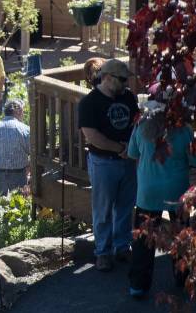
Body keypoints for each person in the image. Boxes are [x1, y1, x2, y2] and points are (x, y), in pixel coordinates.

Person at [127, 101, 196, 298]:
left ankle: (138, 285)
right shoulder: (183, 129)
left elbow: (132, 153)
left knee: (143, 240)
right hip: (176, 190)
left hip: (147, 191)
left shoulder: (141, 125)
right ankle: (183, 278)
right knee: (181, 235)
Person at [78, 58, 139, 272]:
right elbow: (92, 135)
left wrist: (131, 149)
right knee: (103, 209)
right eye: (121, 80)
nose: (125, 84)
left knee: (125, 206)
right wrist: (119, 149)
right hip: (104, 162)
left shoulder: (128, 97)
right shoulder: (90, 102)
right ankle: (103, 252)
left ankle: (122, 247)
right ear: (107, 78)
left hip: (128, 161)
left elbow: (136, 123)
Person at [0, 99, 31, 196]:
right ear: (18, 111)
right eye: (23, 112)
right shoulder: (25, 129)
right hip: (19, 174)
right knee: (19, 205)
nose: (23, 114)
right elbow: (31, 151)